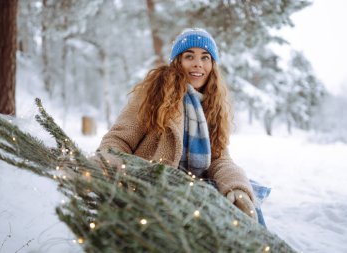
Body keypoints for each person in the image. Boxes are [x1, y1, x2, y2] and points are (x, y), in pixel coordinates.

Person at [98, 28, 269, 226]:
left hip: (196, 187)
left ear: (212, 65)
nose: (198, 63)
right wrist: (107, 165)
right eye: (190, 56)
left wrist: (236, 188)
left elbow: (220, 158)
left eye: (205, 57)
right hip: (155, 185)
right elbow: (119, 139)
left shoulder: (211, 106)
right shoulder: (155, 95)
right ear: (177, 62)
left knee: (248, 206)